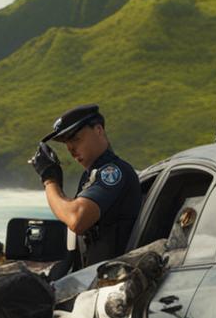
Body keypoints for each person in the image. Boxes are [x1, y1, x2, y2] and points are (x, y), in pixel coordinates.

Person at [28, 104, 141, 269]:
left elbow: (76, 219)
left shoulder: (113, 172)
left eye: (75, 139)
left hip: (112, 281)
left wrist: (50, 180)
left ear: (99, 130)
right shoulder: (90, 176)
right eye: (67, 143)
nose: (71, 149)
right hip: (96, 279)